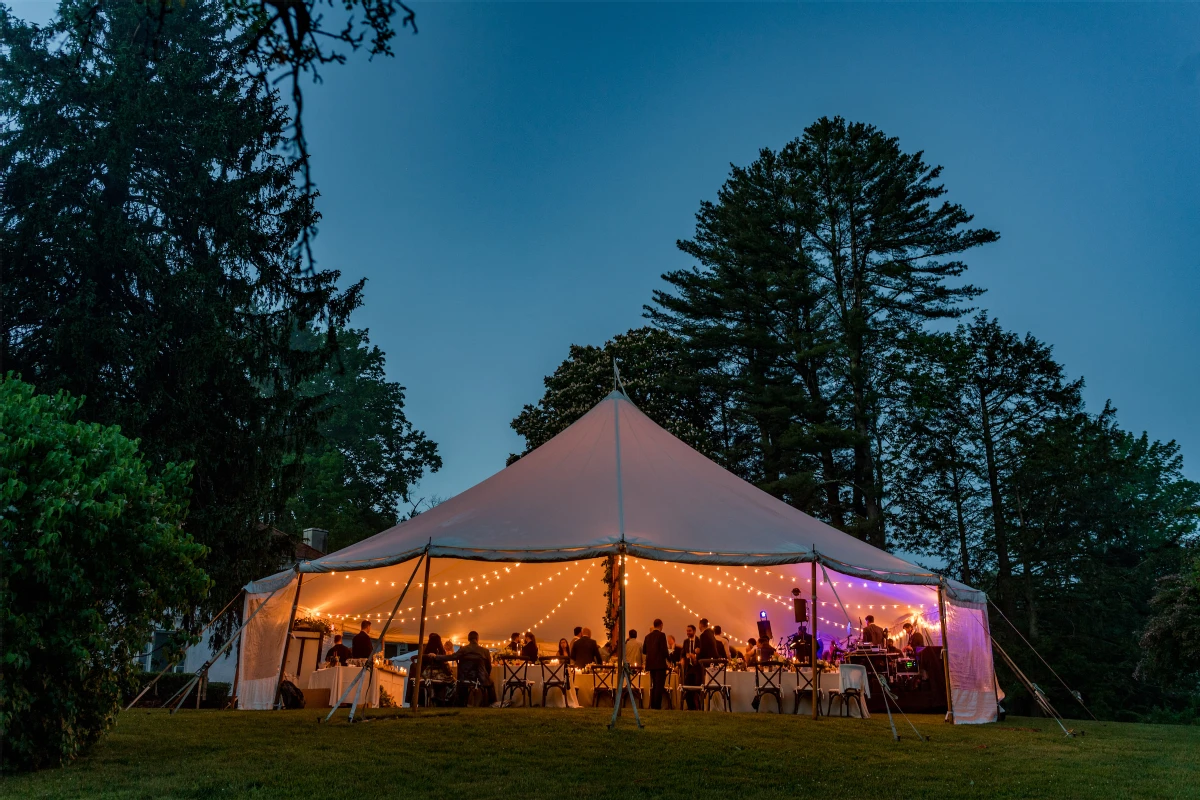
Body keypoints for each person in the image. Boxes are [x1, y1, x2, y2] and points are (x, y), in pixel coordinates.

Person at [437, 630, 495, 706]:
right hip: (481, 678)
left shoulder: (463, 649)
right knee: (491, 682)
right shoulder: (485, 651)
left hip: (464, 678)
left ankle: (461, 703)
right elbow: (488, 667)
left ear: (468, 639)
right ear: (477, 639)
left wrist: (436, 657)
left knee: (461, 683)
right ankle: (491, 703)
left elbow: (452, 657)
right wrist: (486, 676)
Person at [642, 619, 669, 710]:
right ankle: (657, 706)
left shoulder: (647, 636)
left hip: (650, 664)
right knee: (659, 686)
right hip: (660, 664)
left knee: (654, 685)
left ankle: (653, 705)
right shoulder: (662, 635)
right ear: (661, 625)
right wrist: (670, 660)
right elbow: (665, 650)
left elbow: (644, 651)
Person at [681, 624, 702, 710]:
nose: (688, 633)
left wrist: (695, 656)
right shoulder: (685, 641)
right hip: (688, 668)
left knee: (697, 689)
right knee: (687, 687)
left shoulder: (699, 641)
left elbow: (702, 654)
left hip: (697, 668)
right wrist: (682, 659)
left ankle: (698, 707)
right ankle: (690, 707)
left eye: (689, 631)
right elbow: (682, 653)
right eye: (687, 631)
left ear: (694, 631)